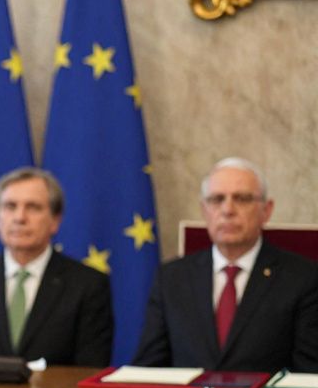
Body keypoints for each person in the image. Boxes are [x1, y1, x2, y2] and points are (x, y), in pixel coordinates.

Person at [133, 157, 318, 372]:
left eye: (242, 199)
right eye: (217, 199)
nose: (228, 210)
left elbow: (310, 377)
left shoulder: (302, 279)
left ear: (266, 211)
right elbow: (147, 370)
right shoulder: (171, 278)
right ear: (204, 210)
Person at [0, 167, 113, 366]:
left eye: (33, 207)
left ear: (55, 221)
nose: (20, 218)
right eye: (10, 206)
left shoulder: (88, 285)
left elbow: (89, 370)